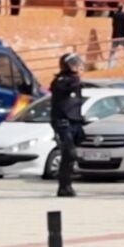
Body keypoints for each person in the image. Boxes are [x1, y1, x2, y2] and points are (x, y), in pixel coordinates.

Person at [50, 53, 85, 197]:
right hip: (63, 122)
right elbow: (64, 87)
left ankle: (66, 185)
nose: (77, 66)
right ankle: (64, 185)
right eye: (73, 64)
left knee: (70, 156)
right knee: (70, 153)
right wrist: (76, 79)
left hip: (75, 121)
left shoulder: (75, 81)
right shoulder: (61, 80)